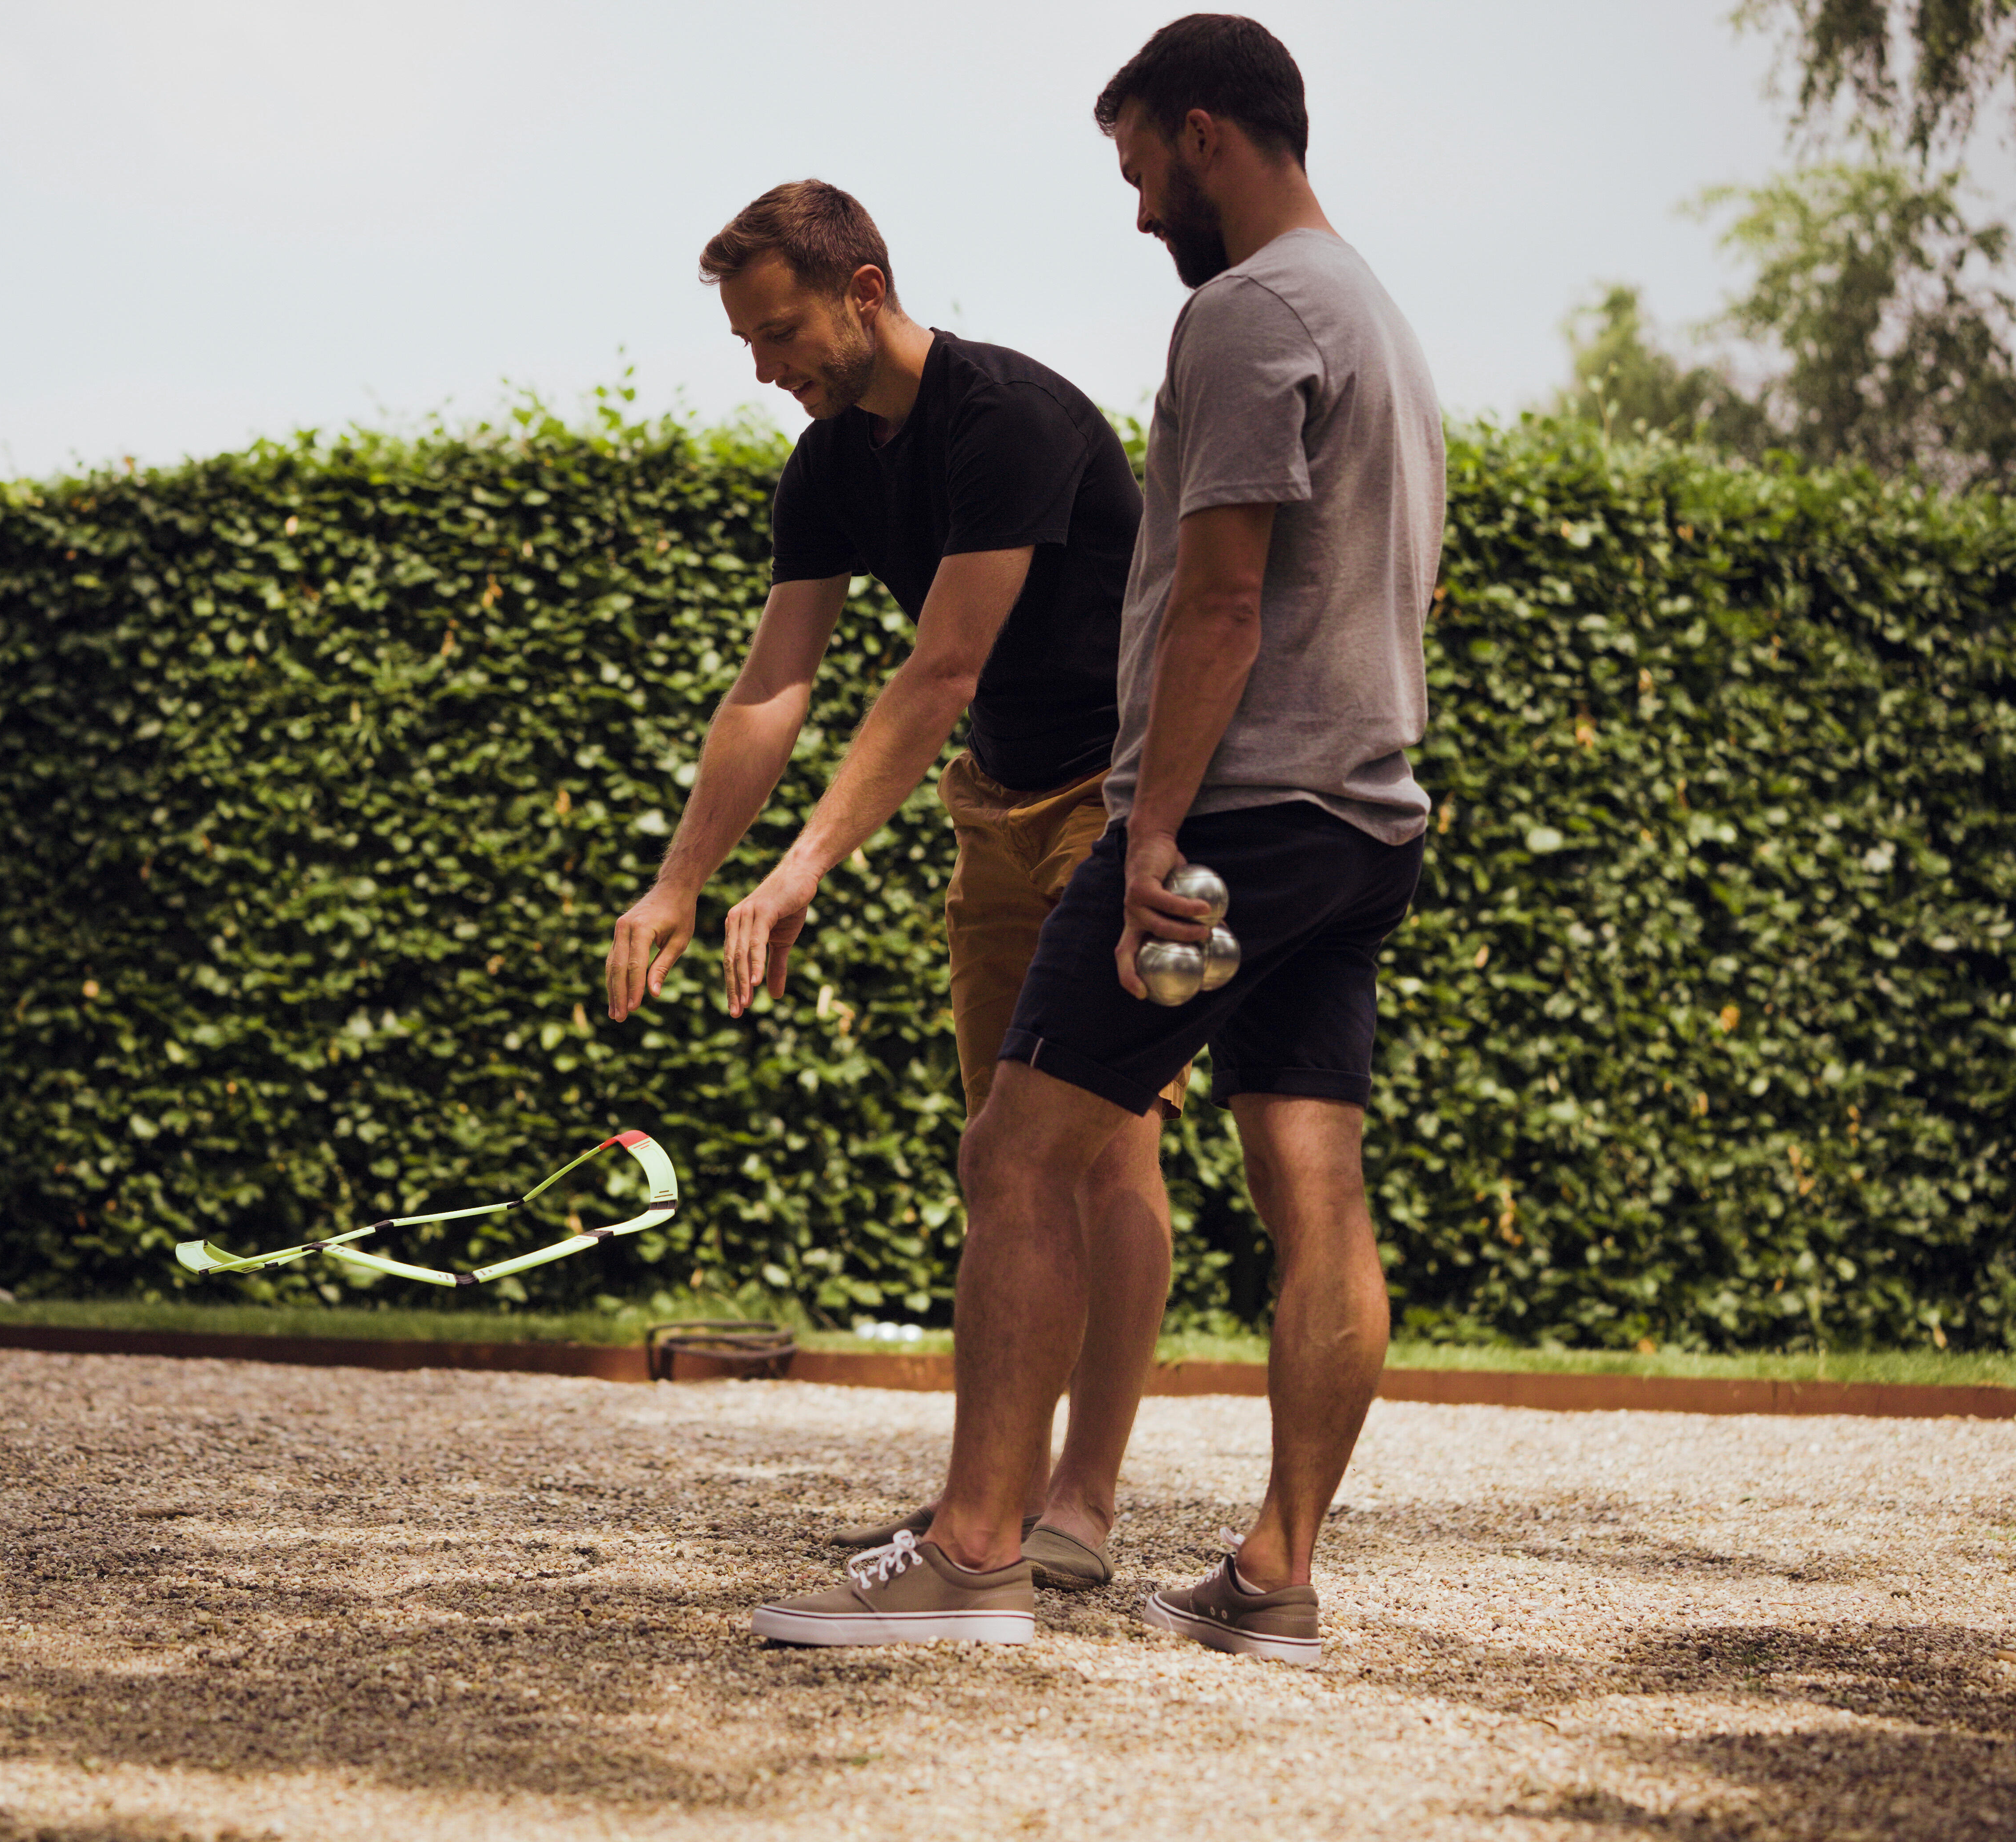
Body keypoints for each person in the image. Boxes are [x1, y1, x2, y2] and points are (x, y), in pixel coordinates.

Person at [750, 14, 1444, 1656]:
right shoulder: (1382, 318)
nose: (1137, 211)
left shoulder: (1247, 312)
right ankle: (1277, 1574)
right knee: (1311, 1178)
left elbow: (1217, 602)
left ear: (1206, 134)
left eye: (1139, 168)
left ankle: (978, 1552)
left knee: (1020, 1151)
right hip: (1365, 810)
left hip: (1238, 816)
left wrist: (1154, 829)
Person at [605, 179, 1185, 1597]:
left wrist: (803, 866)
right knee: (1005, 1152)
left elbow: (944, 666)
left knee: (1104, 1146)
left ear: (863, 288)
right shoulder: (829, 465)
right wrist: (683, 881)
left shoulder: (1011, 420)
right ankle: (981, 1496)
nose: (763, 367)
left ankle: (1083, 1502)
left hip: (1121, 807)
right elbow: (776, 680)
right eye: (746, 340)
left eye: (781, 329)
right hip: (996, 813)